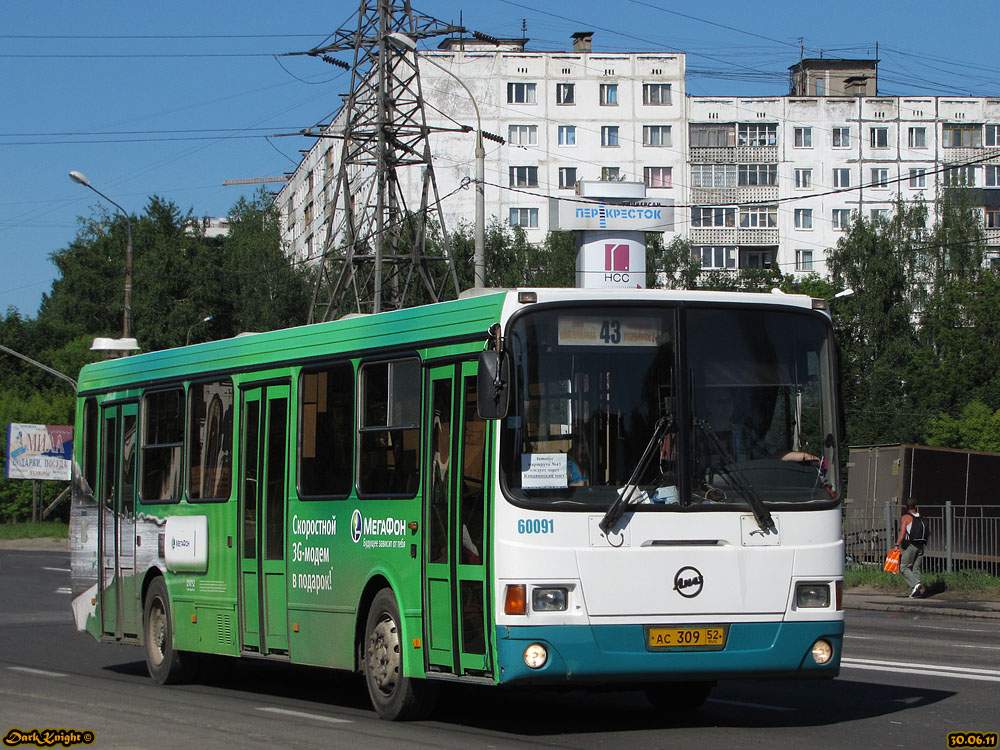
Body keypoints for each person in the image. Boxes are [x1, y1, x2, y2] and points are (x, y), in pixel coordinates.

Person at [701, 388, 818, 469]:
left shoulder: (743, 432)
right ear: (708, 406)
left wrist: (805, 456)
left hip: (743, 493)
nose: (727, 406)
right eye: (721, 402)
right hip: (709, 498)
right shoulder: (699, 434)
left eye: (729, 401)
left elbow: (770, 454)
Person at [894, 499, 926, 598]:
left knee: (904, 567)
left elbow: (903, 532)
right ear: (915, 506)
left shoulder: (906, 517)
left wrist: (897, 544)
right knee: (916, 567)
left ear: (905, 507)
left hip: (911, 545)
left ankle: (915, 583)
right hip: (921, 545)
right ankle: (917, 592)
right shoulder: (920, 516)